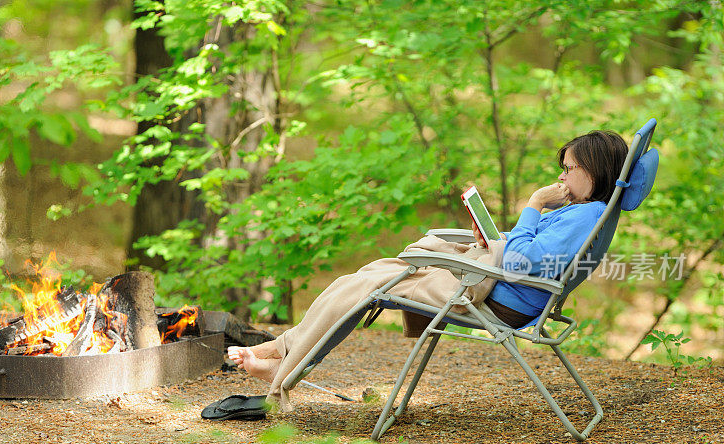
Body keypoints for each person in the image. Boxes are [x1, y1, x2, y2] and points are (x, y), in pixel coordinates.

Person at [226, 130, 629, 412]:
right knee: (368, 275)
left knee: (369, 284)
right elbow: (528, 248)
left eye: (569, 168)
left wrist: (535, 202)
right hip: (498, 284)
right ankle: (286, 350)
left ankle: (286, 364)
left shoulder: (584, 214)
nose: (560, 176)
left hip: (497, 297)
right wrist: (493, 237)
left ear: (594, 171)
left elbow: (525, 259)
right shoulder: (581, 212)